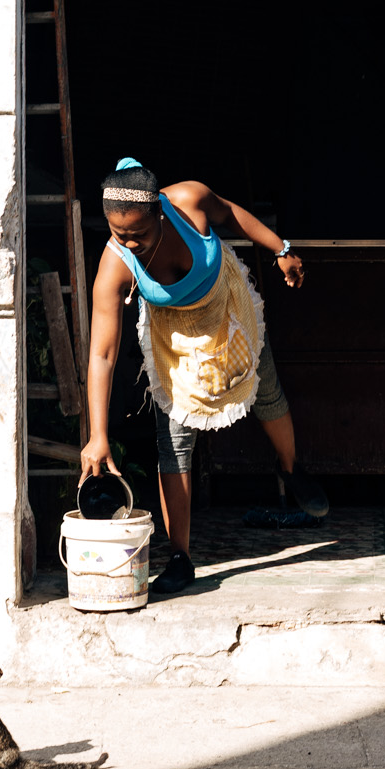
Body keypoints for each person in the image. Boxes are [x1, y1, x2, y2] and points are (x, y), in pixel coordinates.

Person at [81, 159, 328, 596]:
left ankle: (291, 469)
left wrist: (281, 249)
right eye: (119, 234)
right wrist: (97, 434)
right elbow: (102, 353)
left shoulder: (189, 201)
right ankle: (180, 556)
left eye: (138, 233)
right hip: (176, 344)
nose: (130, 243)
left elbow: (230, 213)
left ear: (160, 211)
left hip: (230, 313)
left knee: (267, 394)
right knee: (173, 444)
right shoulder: (115, 264)